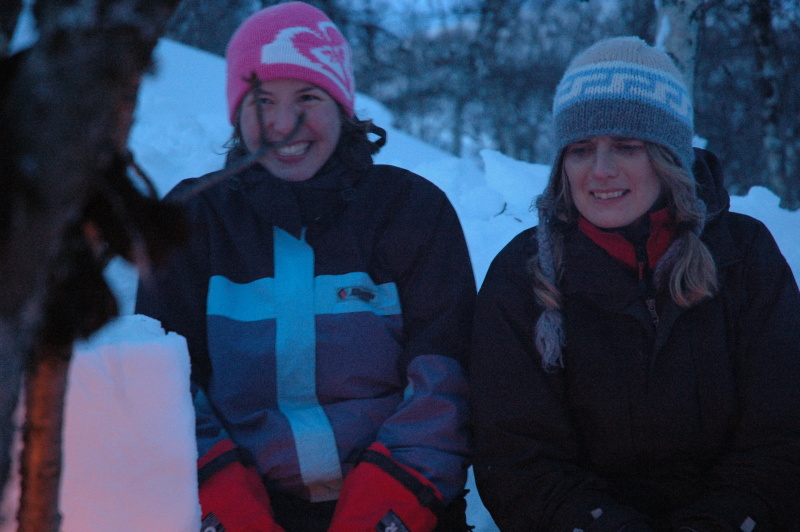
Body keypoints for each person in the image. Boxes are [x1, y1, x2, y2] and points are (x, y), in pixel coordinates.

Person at [135, 3, 475, 531]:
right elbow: (162, 389)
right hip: (240, 507)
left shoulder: (409, 212)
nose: (282, 123)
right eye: (262, 100)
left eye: (308, 98)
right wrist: (230, 508)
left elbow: (445, 382)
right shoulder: (193, 221)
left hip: (399, 504)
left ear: (341, 105)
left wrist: (384, 508)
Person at [469, 36, 800, 532]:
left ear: (669, 156)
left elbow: (782, 434)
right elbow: (517, 459)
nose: (601, 171)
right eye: (581, 149)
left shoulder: (744, 257)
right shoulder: (520, 276)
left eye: (627, 146)